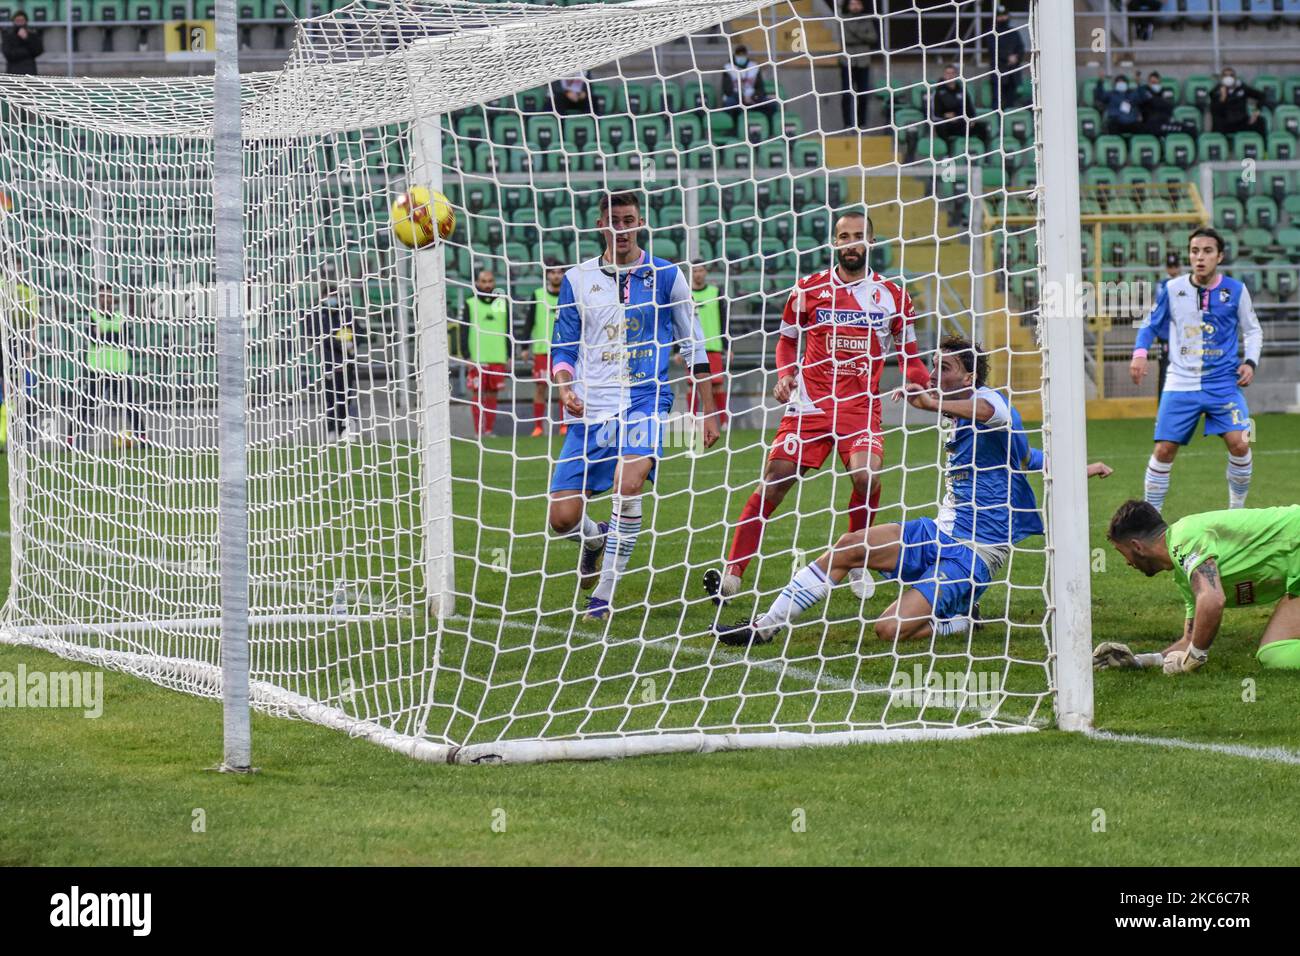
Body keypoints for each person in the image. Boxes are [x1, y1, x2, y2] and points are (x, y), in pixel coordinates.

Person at [714, 336, 1112, 646]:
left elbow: (995, 414)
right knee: (849, 545)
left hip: (975, 553)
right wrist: (1081, 467)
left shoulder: (989, 399)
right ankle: (764, 627)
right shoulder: (957, 416)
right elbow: (1024, 457)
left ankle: (959, 619)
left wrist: (933, 404)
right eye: (935, 365)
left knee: (889, 629)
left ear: (970, 376)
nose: (936, 374)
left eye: (947, 367)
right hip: (940, 531)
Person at [703, 211, 930, 607]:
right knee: (774, 481)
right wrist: (786, 374)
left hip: (860, 407)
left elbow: (910, 353)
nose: (851, 243)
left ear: (870, 242)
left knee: (867, 476)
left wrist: (918, 380)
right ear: (834, 243)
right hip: (809, 406)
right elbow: (787, 341)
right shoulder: (808, 289)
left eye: (858, 236)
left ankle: (856, 556)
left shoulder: (893, 296)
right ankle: (733, 574)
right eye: (843, 237)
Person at [547, 191, 719, 620]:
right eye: (614, 221)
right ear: (600, 225)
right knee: (562, 518)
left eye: (629, 221)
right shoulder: (576, 278)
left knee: (629, 484)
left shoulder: (665, 276)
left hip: (645, 399)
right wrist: (565, 386)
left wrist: (710, 410)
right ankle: (593, 540)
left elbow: (694, 345)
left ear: (640, 223)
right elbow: (563, 347)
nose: (622, 229)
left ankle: (603, 595)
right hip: (592, 408)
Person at [1131, 227, 1261, 512]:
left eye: (1207, 251)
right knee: (1164, 450)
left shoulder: (1236, 290)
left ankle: (1236, 512)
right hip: (1180, 383)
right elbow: (1150, 323)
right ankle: (1151, 520)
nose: (1200, 257)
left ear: (1220, 256)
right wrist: (1140, 354)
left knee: (1241, 443)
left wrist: (1250, 362)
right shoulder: (1172, 288)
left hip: (1224, 383)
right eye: (1194, 251)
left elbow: (1253, 331)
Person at [1096, 500, 1300, 673]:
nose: (1127, 563)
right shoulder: (1185, 571)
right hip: (1296, 571)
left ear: (1137, 546)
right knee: (1274, 653)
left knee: (1273, 654)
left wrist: (1195, 658)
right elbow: (1191, 639)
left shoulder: (1183, 539)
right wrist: (1142, 660)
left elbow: (1212, 600)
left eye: (1123, 553)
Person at [76, 285, 143, 444]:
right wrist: (114, 335)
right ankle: (71, 440)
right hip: (97, 369)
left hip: (119, 369)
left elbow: (124, 339)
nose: (105, 299)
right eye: (102, 296)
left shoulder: (121, 316)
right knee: (85, 405)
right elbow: (93, 339)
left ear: (113, 298)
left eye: (108, 296)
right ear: (98, 298)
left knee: (130, 406)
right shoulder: (91, 316)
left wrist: (105, 334)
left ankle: (143, 439)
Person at [460, 267, 511, 437]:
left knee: (492, 395)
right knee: (477, 394)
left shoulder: (500, 303)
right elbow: (463, 331)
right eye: (484, 281)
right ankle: (478, 431)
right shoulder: (470, 303)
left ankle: (488, 430)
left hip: (498, 357)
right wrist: (466, 356)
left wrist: (509, 355)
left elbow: (506, 329)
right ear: (476, 283)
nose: (487, 285)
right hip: (478, 358)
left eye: (490, 281)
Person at [311, 282, 363, 442]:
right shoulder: (319, 315)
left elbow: (359, 332)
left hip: (347, 363)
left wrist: (353, 343)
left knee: (346, 398)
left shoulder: (345, 313)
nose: (332, 299)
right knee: (331, 399)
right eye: (330, 295)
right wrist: (341, 344)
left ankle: (345, 430)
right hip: (330, 364)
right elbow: (322, 337)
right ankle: (332, 430)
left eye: (335, 295)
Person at [686, 261, 729, 429]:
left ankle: (723, 421)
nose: (698, 274)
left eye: (700, 270)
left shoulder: (716, 292)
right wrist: (677, 349)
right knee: (692, 386)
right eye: (695, 271)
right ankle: (693, 422)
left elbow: (723, 319)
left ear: (706, 272)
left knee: (718, 384)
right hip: (693, 348)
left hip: (713, 346)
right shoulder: (686, 293)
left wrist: (726, 345)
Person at [525, 259, 565, 438]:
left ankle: (564, 425)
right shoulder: (538, 294)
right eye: (553, 272)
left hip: (564, 350)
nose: (556, 275)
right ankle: (538, 427)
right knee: (541, 389)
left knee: (563, 388)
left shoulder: (569, 293)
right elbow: (529, 321)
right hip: (542, 350)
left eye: (559, 272)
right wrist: (525, 346)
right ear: (547, 275)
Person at [0, 265, 38, 451]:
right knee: (6, 390)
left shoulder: (27, 292)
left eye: (18, 269)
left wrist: (31, 346)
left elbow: (32, 322)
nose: (15, 273)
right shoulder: (2, 287)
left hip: (18, 345)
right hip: (2, 342)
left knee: (18, 391)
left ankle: (20, 437)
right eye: (11, 269)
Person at [838, 0, 879, 130]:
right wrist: (863, 35)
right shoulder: (842, 19)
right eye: (852, 4)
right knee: (846, 94)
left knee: (863, 94)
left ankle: (862, 123)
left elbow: (873, 37)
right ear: (848, 5)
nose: (855, 6)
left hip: (863, 60)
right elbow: (845, 38)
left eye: (858, 4)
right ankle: (847, 124)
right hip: (847, 60)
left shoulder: (867, 19)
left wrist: (855, 32)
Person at [930, 65, 987, 146]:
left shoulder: (962, 90)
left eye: (952, 73)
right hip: (947, 124)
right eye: (947, 73)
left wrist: (972, 119)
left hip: (961, 123)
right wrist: (945, 116)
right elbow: (934, 114)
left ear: (956, 75)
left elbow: (970, 108)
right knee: (941, 127)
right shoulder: (938, 92)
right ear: (944, 75)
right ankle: (948, 155)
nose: (950, 76)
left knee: (982, 128)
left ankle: (984, 154)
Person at [985, 6, 1026, 112]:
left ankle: (1009, 127)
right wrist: (1008, 57)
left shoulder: (1013, 32)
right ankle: (999, 127)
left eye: (1004, 15)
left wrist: (1016, 57)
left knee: (1011, 103)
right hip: (998, 74)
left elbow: (1021, 47)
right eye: (1000, 16)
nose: (1003, 18)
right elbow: (993, 49)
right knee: (997, 103)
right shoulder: (992, 33)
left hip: (1013, 74)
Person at [722, 45, 777, 119]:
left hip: (753, 98)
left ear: (746, 55)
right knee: (729, 103)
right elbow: (727, 90)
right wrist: (742, 98)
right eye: (739, 55)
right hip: (736, 98)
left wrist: (753, 97)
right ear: (735, 56)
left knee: (772, 104)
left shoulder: (754, 67)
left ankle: (768, 127)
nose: (741, 57)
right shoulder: (728, 68)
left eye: (743, 55)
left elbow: (760, 87)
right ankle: (733, 129)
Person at [1210, 67, 1268, 138]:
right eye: (1226, 75)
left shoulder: (1242, 88)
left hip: (1241, 121)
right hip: (1225, 123)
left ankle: (1263, 146)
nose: (1228, 78)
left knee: (1260, 121)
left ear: (1235, 78)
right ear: (1222, 78)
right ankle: (1220, 147)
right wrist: (1223, 97)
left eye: (1231, 75)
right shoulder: (1215, 91)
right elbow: (1215, 110)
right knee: (1217, 123)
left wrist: (1256, 112)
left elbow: (1261, 96)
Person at [2, 11, 43, 76]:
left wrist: (27, 39)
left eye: (22, 20)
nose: (20, 23)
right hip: (13, 72)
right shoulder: (8, 36)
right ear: (14, 21)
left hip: (30, 71)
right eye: (17, 20)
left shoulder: (32, 35)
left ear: (26, 21)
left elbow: (38, 50)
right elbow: (8, 54)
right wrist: (26, 52)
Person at [1137, 71, 1177, 136]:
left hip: (1163, 121)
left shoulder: (1166, 92)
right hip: (1150, 122)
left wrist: (1153, 99)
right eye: (1152, 83)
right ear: (1148, 83)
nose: (1154, 85)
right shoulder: (1145, 92)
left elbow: (1169, 106)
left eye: (1155, 83)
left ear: (1159, 82)